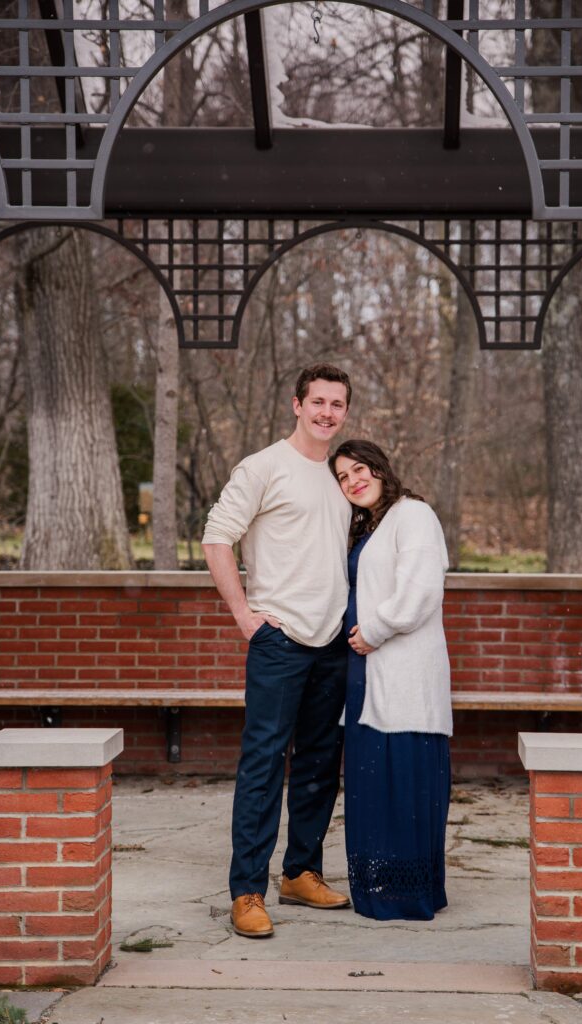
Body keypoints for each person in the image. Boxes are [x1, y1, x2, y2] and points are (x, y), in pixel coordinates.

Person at [202, 364, 353, 939]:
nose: (326, 413)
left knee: (318, 763)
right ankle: (247, 891)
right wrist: (245, 615)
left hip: (332, 641)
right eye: (318, 402)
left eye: (337, 405)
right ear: (297, 404)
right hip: (280, 641)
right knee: (264, 765)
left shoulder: (339, 478)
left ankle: (301, 873)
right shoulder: (264, 466)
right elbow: (218, 537)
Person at [329, 439, 453, 921]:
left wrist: (375, 632)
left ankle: (407, 892)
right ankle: (376, 885)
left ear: (380, 469)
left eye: (359, 469)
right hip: (367, 670)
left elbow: (421, 590)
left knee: (403, 779)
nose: (352, 480)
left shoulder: (413, 514)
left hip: (403, 671)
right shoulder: (371, 525)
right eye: (342, 476)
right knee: (370, 783)